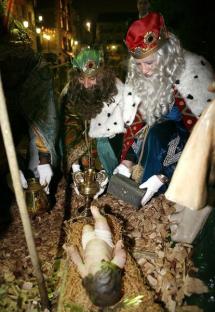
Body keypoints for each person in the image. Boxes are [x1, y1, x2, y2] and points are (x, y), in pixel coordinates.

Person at [113, 12, 214, 206]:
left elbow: (203, 142)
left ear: (166, 56)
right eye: (138, 64)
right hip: (162, 139)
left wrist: (165, 176)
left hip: (191, 151)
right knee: (155, 133)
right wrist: (128, 160)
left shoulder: (193, 74)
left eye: (149, 63)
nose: (144, 71)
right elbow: (143, 127)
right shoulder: (143, 80)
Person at [0, 12, 59, 227]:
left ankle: (40, 193)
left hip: (33, 119)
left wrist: (44, 161)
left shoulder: (38, 73)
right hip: (7, 120)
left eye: (17, 59)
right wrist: (9, 166)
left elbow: (46, 121)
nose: (13, 66)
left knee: (41, 164)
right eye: (8, 60)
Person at [60, 48, 126, 196]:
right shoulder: (70, 90)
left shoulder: (116, 87)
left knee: (103, 142)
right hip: (81, 138)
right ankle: (77, 171)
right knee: (67, 132)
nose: (86, 84)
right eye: (82, 79)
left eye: (92, 78)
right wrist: (76, 169)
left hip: (107, 138)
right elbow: (67, 120)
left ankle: (104, 173)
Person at [63, 205, 126, 307]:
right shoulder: (111, 270)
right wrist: (118, 247)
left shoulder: (86, 273)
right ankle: (98, 216)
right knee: (101, 222)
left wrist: (72, 251)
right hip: (104, 239)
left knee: (86, 228)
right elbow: (121, 257)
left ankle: (92, 224)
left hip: (88, 242)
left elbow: (77, 261)